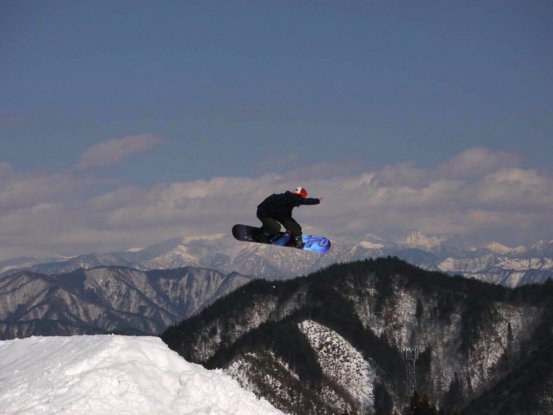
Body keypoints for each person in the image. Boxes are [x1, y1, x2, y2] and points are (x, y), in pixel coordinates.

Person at [255, 186, 321, 248]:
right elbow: (304, 201)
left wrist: (289, 228)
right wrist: (317, 200)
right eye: (302, 198)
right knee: (275, 227)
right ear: (299, 197)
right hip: (264, 212)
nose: (300, 203)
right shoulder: (290, 198)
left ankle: (296, 241)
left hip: (277, 213)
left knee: (295, 227)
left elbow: (288, 219)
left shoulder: (290, 202)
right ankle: (261, 234)